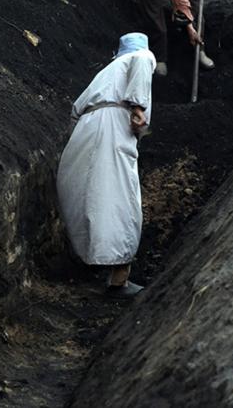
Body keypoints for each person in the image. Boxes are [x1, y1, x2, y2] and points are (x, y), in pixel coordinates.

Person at [56, 33, 157, 299]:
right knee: (122, 199)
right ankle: (119, 279)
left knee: (91, 196)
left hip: (85, 129)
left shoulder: (105, 74)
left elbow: (74, 112)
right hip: (113, 127)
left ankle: (90, 261)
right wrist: (138, 109)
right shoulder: (141, 57)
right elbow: (141, 71)